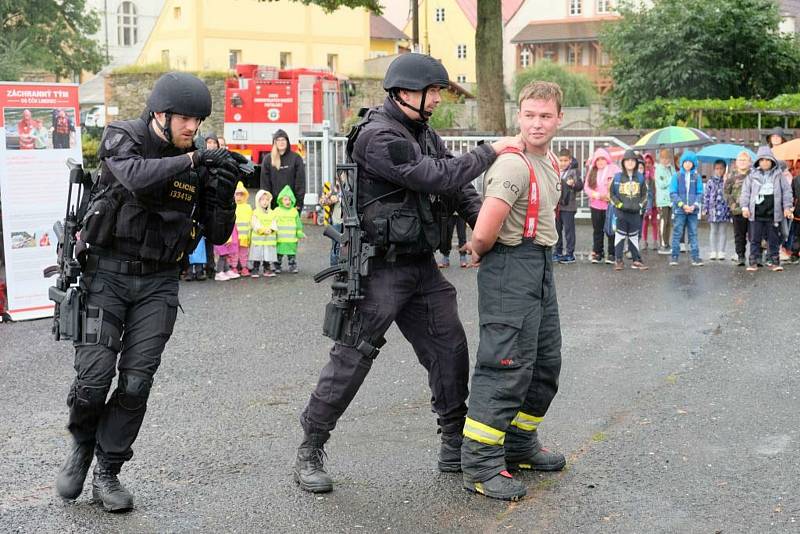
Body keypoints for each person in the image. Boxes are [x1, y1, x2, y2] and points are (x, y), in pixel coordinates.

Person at [293, 53, 523, 494]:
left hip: (420, 266)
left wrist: (486, 231)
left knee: (450, 349)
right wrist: (490, 151)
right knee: (352, 357)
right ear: (403, 92)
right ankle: (311, 447)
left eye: (438, 91)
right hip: (379, 269)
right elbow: (433, 176)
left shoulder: (422, 131)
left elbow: (456, 189)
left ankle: (453, 442)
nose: (437, 98)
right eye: (431, 91)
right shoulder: (378, 135)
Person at [54, 72, 241, 512]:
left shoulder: (197, 161)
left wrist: (225, 188)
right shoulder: (126, 136)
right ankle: (83, 444)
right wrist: (196, 161)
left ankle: (108, 470)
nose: (192, 128)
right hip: (107, 275)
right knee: (94, 377)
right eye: (185, 119)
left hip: (159, 283)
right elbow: (136, 177)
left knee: (136, 382)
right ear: (160, 114)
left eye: (198, 121)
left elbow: (217, 235)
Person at [460, 81, 566, 501]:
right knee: (504, 363)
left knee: (543, 361)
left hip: (539, 264)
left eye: (545, 115)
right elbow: (485, 230)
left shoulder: (550, 160)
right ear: (517, 115)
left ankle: (520, 444)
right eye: (530, 115)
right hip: (510, 265)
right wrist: (480, 251)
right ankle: (482, 464)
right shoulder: (513, 164)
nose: (537, 123)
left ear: (559, 118)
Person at [740, 146, 793, 272]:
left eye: (768, 160)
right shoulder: (752, 176)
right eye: (762, 160)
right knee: (755, 238)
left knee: (773, 238)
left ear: (772, 161)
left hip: (773, 213)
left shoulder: (779, 175)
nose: (765, 162)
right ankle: (753, 261)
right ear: (758, 161)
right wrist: (744, 207)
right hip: (756, 212)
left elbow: (787, 192)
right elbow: (746, 192)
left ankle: (775, 261)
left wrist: (787, 207)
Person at [609, 150, 649, 270]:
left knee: (633, 237)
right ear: (623, 163)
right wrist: (619, 205)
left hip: (635, 213)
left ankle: (636, 260)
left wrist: (640, 206)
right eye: (628, 160)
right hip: (621, 213)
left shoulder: (641, 178)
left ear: (636, 162)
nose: (630, 163)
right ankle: (619, 260)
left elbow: (645, 195)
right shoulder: (617, 177)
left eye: (633, 160)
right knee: (620, 237)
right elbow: (611, 194)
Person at [584, 148, 620, 264]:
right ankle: (598, 252)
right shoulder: (592, 171)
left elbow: (620, 182)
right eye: (598, 159)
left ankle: (612, 253)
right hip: (595, 206)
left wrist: (611, 195)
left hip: (610, 206)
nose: (600, 162)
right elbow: (587, 188)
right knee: (597, 230)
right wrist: (598, 195)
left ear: (607, 159)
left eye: (602, 159)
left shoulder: (614, 169)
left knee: (611, 230)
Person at [668, 151, 704, 266]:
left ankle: (695, 257)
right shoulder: (676, 176)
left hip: (693, 210)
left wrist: (694, 206)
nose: (688, 164)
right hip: (679, 210)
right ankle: (674, 256)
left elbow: (700, 193)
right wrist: (682, 205)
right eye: (685, 162)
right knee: (677, 233)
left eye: (690, 162)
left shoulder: (697, 177)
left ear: (694, 164)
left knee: (693, 233)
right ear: (681, 163)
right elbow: (672, 193)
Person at [260, 129, 306, 212]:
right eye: (278, 140)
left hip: (291, 205)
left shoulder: (296, 158)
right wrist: (266, 203)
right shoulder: (268, 159)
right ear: (274, 142)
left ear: (287, 141)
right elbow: (265, 184)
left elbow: (300, 183)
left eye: (283, 139)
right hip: (273, 206)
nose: (281, 142)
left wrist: (299, 204)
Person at [723, 151, 752, 266]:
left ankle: (756, 255)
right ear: (736, 162)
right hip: (737, 210)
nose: (742, 162)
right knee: (739, 235)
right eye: (740, 160)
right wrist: (733, 205)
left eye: (745, 160)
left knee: (754, 234)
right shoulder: (731, 176)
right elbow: (726, 192)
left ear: (749, 162)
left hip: (751, 210)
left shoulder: (753, 175)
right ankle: (740, 255)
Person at [554, 147, 583, 264]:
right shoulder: (555, 171)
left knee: (569, 231)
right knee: (557, 230)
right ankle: (558, 252)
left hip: (569, 206)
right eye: (561, 160)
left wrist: (574, 184)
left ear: (570, 160)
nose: (563, 163)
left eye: (565, 160)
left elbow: (580, 186)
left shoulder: (574, 171)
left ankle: (570, 254)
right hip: (557, 207)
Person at [702, 160, 731, 260]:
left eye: (721, 168)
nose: (719, 171)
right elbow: (706, 196)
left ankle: (722, 251)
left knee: (723, 231)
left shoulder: (727, 181)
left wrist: (726, 182)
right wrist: (705, 208)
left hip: (724, 209)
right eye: (717, 168)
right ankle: (713, 251)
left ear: (725, 169)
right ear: (714, 169)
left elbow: (729, 194)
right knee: (713, 230)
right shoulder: (710, 181)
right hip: (713, 210)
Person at [272, 185, 304, 273]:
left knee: (292, 254)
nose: (288, 201)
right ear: (281, 200)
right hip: (280, 238)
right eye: (285, 199)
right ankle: (277, 266)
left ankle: (292, 266)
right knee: (279, 254)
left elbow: (298, 223)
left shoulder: (294, 211)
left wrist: (299, 232)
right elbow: (272, 222)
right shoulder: (277, 211)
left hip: (291, 239)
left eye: (289, 199)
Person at [249, 189, 277, 277]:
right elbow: (254, 223)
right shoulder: (255, 212)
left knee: (267, 255)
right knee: (257, 254)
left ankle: (267, 268)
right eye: (262, 199)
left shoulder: (272, 213)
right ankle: (255, 268)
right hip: (259, 239)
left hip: (268, 239)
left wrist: (272, 229)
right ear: (258, 201)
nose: (265, 202)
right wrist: (262, 230)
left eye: (267, 200)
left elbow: (275, 222)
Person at [654, 149, 675, 254]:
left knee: (668, 223)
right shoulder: (658, 169)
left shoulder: (671, 168)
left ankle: (667, 242)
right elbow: (661, 184)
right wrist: (670, 179)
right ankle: (662, 244)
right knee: (663, 221)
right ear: (660, 159)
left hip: (670, 200)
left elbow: (675, 181)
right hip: (662, 200)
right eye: (663, 158)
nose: (665, 160)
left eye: (667, 158)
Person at [319, 181, 342, 267]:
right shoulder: (334, 189)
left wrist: (338, 198)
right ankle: (334, 267)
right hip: (337, 221)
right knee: (335, 246)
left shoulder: (351, 186)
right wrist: (326, 199)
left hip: (347, 221)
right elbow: (322, 201)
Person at [232, 181, 252, 276]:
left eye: (241, 195)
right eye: (237, 195)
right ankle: (234, 267)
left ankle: (244, 267)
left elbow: (251, 221)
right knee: (234, 253)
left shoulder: (248, 207)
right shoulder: (232, 207)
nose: (239, 197)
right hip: (234, 237)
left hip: (244, 236)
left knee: (244, 253)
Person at [640, 154, 658, 251]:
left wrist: (653, 177)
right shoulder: (641, 174)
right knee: (645, 221)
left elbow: (657, 187)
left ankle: (655, 241)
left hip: (654, 200)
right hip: (645, 201)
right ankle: (644, 241)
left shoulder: (655, 173)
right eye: (645, 163)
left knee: (654, 221)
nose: (647, 165)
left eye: (649, 163)